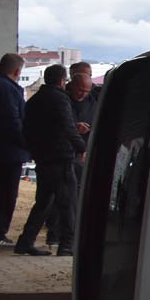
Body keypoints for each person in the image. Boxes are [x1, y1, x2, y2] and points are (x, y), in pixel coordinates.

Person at [15, 64, 85, 256]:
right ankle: (67, 245)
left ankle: (25, 241)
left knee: (44, 202)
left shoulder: (35, 100)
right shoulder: (60, 99)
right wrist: (82, 147)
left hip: (43, 157)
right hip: (60, 157)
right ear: (63, 81)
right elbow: (66, 126)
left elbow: (28, 128)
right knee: (68, 202)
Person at [43, 70, 96, 246]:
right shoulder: (62, 99)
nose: (83, 94)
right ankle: (58, 237)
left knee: (74, 197)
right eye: (80, 90)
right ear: (71, 85)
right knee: (60, 200)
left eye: (86, 91)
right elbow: (59, 125)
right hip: (64, 153)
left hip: (83, 154)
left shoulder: (93, 103)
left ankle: (72, 235)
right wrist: (75, 128)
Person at [0, 53, 29, 246]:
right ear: (17, 71)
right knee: (4, 195)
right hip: (7, 153)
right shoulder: (7, 89)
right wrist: (27, 143)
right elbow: (12, 121)